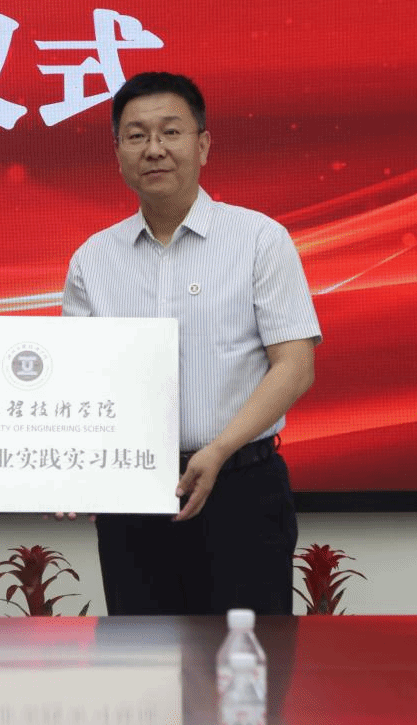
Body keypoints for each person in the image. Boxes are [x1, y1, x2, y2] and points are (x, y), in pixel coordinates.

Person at [62, 73, 321, 616]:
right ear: (117, 153)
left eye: (171, 132)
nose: (154, 149)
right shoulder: (93, 259)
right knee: (141, 659)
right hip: (132, 495)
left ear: (202, 145)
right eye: (136, 136)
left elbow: (295, 366)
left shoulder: (259, 240)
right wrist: (69, 467)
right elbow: (77, 378)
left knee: (246, 660)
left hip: (241, 490)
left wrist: (219, 449)